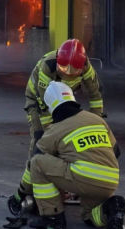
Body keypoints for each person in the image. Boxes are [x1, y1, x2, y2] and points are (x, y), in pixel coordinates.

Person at [8, 39, 105, 217]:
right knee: (40, 143)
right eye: (64, 69)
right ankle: (28, 189)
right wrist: (55, 132)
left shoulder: (86, 67)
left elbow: (95, 95)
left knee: (70, 140)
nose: (68, 74)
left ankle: (63, 183)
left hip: (65, 100)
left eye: (73, 71)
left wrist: (95, 121)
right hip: (39, 103)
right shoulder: (48, 66)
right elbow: (47, 104)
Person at [28, 80, 125, 229]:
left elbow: (36, 159)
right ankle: (110, 208)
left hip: (83, 178)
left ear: (51, 106)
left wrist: (23, 191)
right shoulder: (96, 120)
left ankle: (53, 218)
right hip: (110, 181)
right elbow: (116, 151)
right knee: (89, 216)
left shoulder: (56, 129)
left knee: (37, 163)